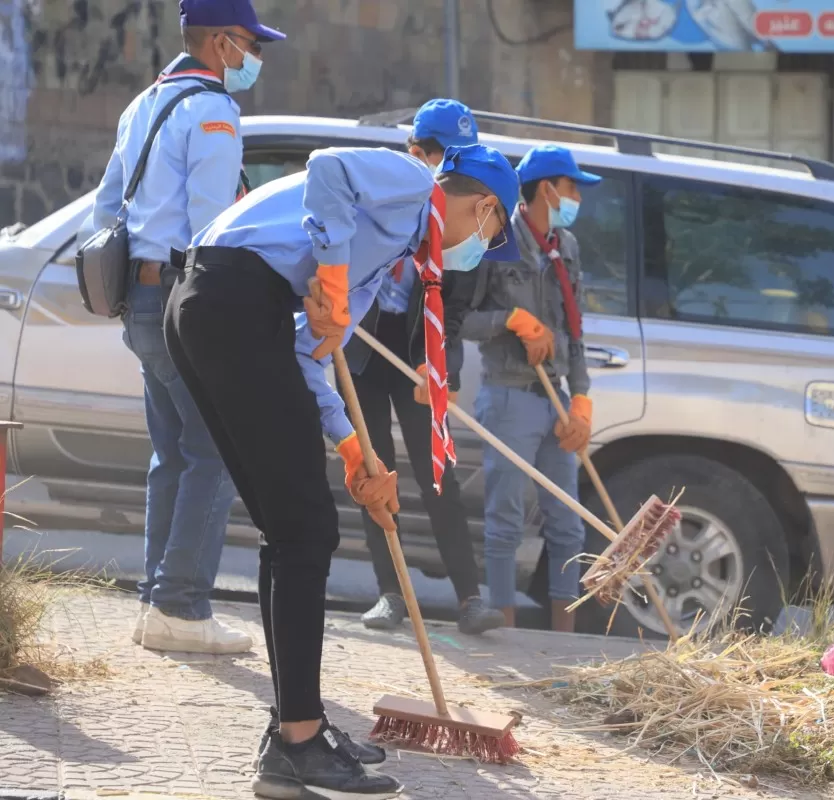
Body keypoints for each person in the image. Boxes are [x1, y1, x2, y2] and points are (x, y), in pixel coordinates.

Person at [164, 143, 521, 798]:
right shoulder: (413, 183)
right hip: (226, 299)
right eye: (489, 236)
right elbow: (327, 166)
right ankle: (294, 745)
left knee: (292, 529)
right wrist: (329, 277)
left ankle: (300, 725)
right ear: (486, 206)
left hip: (232, 311)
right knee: (306, 533)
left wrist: (355, 450)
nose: (476, 250)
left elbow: (308, 353)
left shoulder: (382, 257)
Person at [79, 0, 285, 654]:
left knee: (173, 454)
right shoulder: (214, 110)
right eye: (253, 45)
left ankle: (155, 601)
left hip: (141, 301)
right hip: (184, 299)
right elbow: (210, 226)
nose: (256, 59)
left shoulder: (144, 104)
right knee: (214, 452)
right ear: (221, 42)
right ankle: (182, 607)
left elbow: (107, 208)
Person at [340, 99, 504, 636]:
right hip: (365, 343)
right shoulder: (385, 198)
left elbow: (452, 312)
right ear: (416, 152)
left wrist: (439, 371)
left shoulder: (460, 219)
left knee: (440, 474)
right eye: (439, 156)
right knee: (374, 468)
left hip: (418, 351)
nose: (446, 170)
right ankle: (391, 592)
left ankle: (469, 598)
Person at [462, 145, 599, 633]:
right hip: (508, 395)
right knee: (506, 521)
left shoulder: (568, 246)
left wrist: (581, 398)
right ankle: (505, 632)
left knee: (568, 525)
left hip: (554, 397)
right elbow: (463, 320)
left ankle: (566, 642)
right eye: (572, 186)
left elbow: (576, 327)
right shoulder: (496, 240)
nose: (577, 196)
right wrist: (514, 320)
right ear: (547, 189)